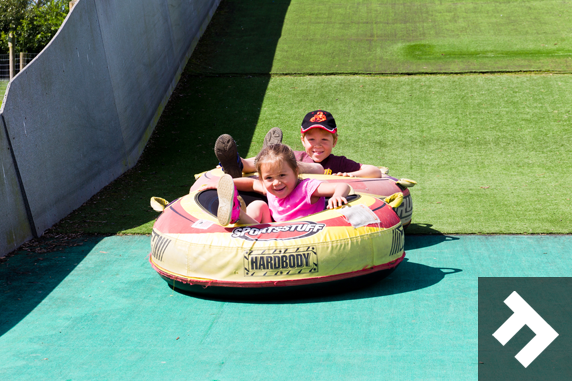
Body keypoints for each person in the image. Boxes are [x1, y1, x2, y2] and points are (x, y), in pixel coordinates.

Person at [214, 110, 385, 178]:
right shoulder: (295, 154)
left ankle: (271, 153)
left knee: (282, 160)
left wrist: (352, 175)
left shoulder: (339, 163)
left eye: (324, 140)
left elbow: (375, 171)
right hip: (282, 184)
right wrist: (235, 162)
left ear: (335, 141)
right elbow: (257, 162)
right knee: (271, 160)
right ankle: (236, 163)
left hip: (313, 197)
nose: (317, 145)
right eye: (311, 140)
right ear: (303, 140)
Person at [217, 143, 350, 226]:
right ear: (263, 178)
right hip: (271, 233)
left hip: (306, 235)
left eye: (282, 175)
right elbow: (252, 184)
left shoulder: (307, 188)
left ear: (296, 171)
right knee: (259, 205)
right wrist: (225, 184)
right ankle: (236, 213)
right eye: (269, 177)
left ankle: (238, 214)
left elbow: (342, 186)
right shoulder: (271, 189)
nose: (276, 182)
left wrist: (337, 196)